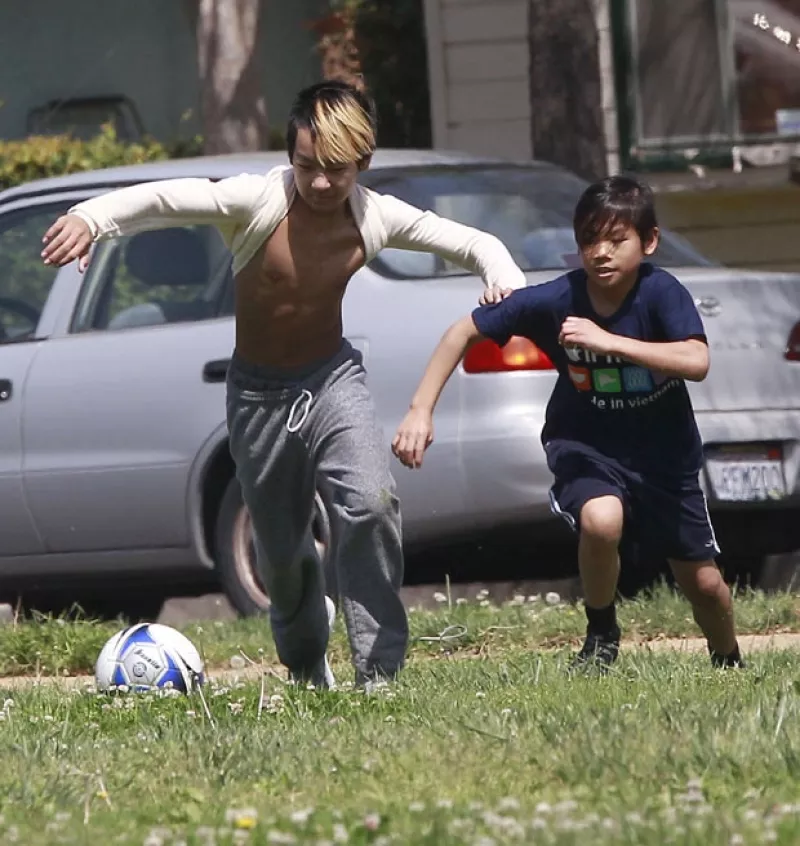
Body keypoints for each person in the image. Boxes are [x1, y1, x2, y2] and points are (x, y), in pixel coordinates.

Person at [40, 80, 527, 689]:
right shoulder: (257, 200)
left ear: (363, 163)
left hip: (332, 380)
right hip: (257, 397)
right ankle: (305, 663)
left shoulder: (375, 216)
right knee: (282, 551)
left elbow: (474, 242)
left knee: (372, 505)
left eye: (336, 170)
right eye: (306, 166)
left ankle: (380, 674)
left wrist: (503, 278)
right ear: (289, 156)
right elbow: (167, 198)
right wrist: (93, 217)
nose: (320, 183)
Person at [392, 174, 743, 673]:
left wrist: (608, 342)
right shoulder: (557, 298)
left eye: (616, 240)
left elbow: (696, 360)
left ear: (649, 242)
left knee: (705, 586)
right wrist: (420, 409)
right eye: (588, 240)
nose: (601, 252)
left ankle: (728, 661)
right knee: (602, 521)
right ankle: (601, 631)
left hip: (666, 458)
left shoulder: (663, 293)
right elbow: (462, 331)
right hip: (586, 446)